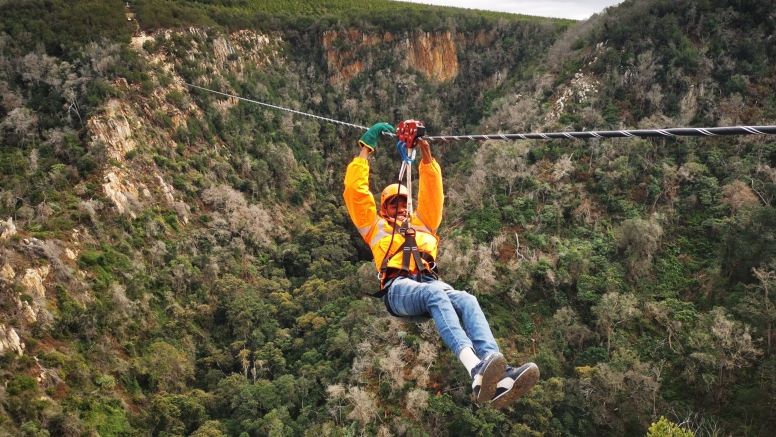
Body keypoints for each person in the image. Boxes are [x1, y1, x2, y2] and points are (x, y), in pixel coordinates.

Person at [343, 122, 540, 408]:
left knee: (468, 300)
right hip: (397, 288)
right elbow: (355, 191)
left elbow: (434, 193)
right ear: (383, 208)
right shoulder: (375, 228)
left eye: (403, 202)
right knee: (435, 293)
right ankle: (475, 370)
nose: (399, 207)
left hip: (428, 282)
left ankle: (496, 374)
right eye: (393, 203)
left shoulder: (424, 224)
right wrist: (365, 148)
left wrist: (425, 154)